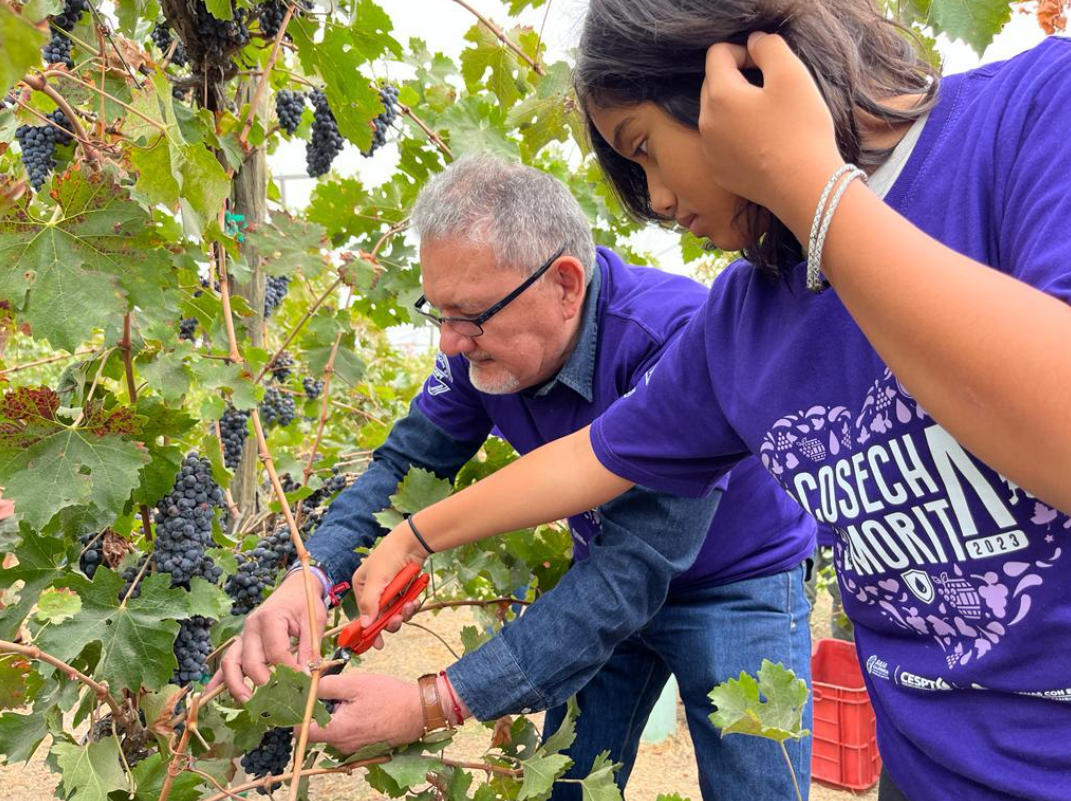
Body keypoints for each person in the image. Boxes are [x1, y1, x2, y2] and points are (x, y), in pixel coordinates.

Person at [353, 4, 1071, 801]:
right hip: (924, 775)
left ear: (741, 72)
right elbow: (591, 457)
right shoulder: (744, 316)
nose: (656, 199)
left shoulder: (1037, 111)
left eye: (642, 147)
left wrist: (810, 185)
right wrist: (415, 534)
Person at [211, 155, 817, 800]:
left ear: (565, 285)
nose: (449, 342)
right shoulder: (477, 349)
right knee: (568, 784)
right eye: (438, 313)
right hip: (601, 571)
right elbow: (405, 465)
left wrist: (433, 702)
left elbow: (635, 564)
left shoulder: (671, 335)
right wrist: (312, 575)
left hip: (737, 581)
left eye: (469, 315)